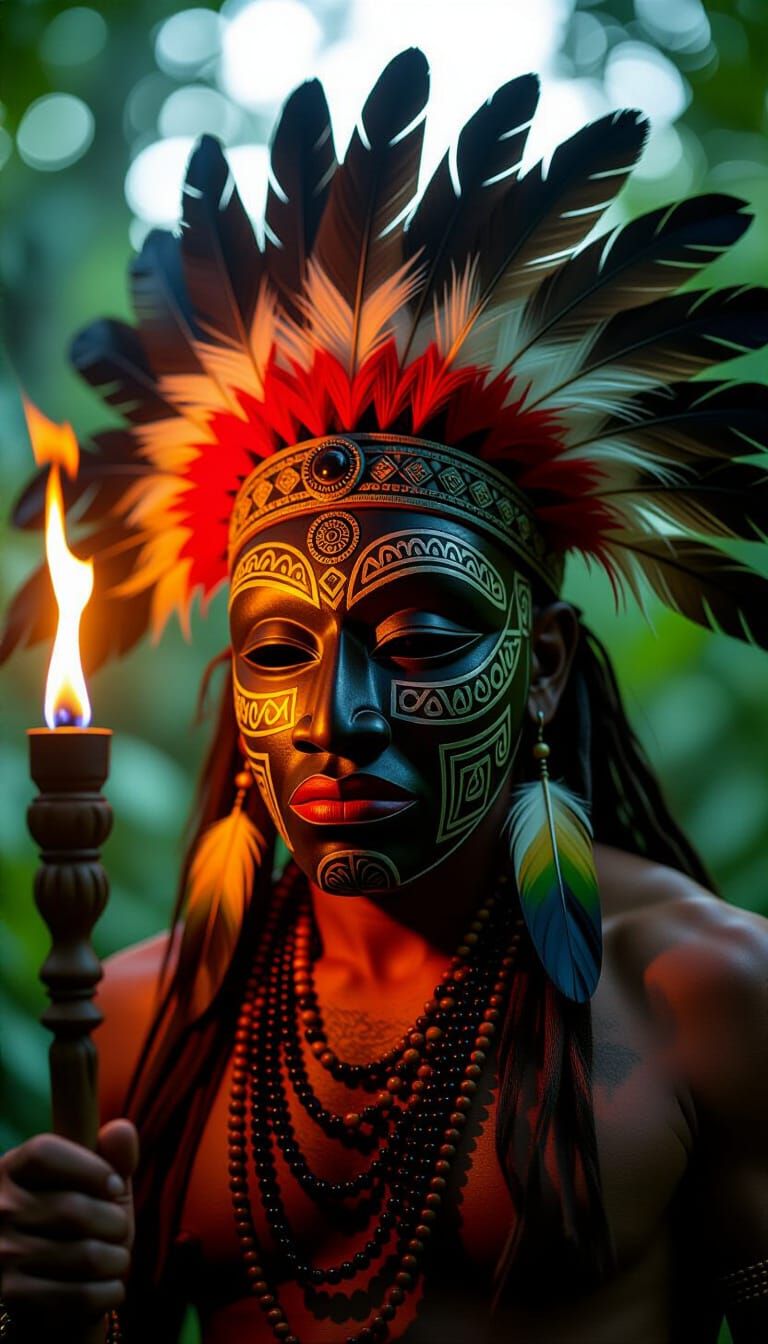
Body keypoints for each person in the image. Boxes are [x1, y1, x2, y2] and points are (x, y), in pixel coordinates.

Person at [2, 48, 768, 1344]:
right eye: (282, 652)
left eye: (417, 639)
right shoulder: (142, 1019)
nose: (340, 717)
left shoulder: (705, 994)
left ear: (545, 672)